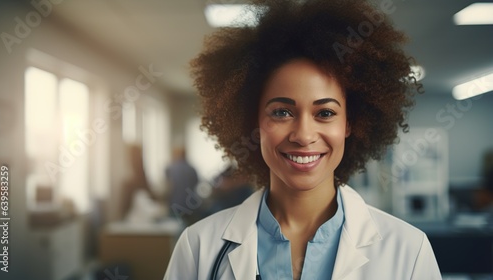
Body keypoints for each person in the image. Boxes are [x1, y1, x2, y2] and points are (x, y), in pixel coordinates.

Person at [164, 0, 441, 279]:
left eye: (325, 112)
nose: (304, 135)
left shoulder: (409, 251)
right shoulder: (198, 247)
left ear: (351, 123)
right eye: (282, 112)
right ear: (253, 121)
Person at [165, 147, 199, 225]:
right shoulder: (192, 169)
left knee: (175, 229)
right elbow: (196, 183)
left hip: (175, 204)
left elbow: (168, 187)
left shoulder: (170, 169)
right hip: (191, 204)